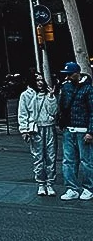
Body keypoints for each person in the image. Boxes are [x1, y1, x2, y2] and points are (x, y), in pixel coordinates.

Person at [56, 61, 93, 200]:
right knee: (68, 160)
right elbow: (62, 107)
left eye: (70, 74)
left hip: (83, 129)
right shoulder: (66, 88)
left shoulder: (88, 89)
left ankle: (88, 187)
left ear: (77, 73)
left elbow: (92, 111)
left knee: (86, 160)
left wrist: (90, 131)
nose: (68, 77)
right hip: (69, 129)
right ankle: (72, 188)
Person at [18, 71, 59, 196]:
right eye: (37, 80)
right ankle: (41, 183)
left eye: (42, 80)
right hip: (35, 130)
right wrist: (24, 130)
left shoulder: (48, 94)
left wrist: (51, 97)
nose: (40, 83)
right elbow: (23, 113)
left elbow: (53, 112)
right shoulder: (26, 95)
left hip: (49, 127)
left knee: (51, 157)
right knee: (38, 158)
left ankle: (50, 184)